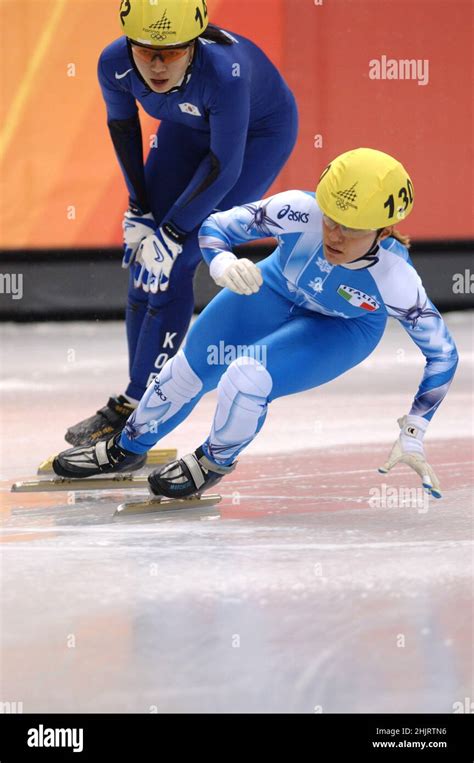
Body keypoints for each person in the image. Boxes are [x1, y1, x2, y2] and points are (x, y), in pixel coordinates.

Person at [54, 148, 458, 501]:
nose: (335, 234)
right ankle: (127, 447)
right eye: (332, 218)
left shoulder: (395, 279)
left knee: (246, 378)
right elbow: (215, 226)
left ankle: (213, 461)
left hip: (341, 328)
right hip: (275, 289)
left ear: (383, 230)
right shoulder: (299, 209)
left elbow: (442, 355)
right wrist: (222, 261)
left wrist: (414, 431)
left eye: (352, 228)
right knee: (188, 367)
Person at [65, 0, 298, 446]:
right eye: (146, 50)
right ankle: (133, 402)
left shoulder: (225, 72)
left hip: (253, 137)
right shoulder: (113, 62)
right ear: (128, 43)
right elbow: (124, 129)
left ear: (193, 46)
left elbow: (224, 166)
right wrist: (140, 209)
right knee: (143, 260)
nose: (156, 64)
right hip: (187, 129)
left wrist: (172, 232)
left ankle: (141, 407)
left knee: (176, 260)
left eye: (171, 52)